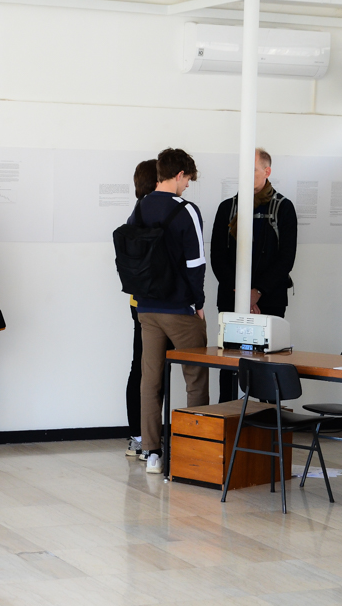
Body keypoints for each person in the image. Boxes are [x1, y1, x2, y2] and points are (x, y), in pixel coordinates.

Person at [129, 148, 208, 474]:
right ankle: (195, 449)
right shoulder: (187, 210)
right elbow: (196, 263)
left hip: (146, 308)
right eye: (188, 179)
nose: (187, 185)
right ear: (179, 175)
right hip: (179, 309)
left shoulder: (140, 207)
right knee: (195, 378)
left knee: (150, 381)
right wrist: (199, 304)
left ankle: (152, 453)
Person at [210, 148, 297, 402]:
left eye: (253, 170)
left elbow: (286, 258)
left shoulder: (283, 208)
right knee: (229, 365)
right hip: (231, 299)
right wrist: (241, 294)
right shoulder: (227, 208)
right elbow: (218, 256)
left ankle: (267, 419)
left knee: (268, 366)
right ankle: (227, 415)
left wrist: (257, 292)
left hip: (270, 301)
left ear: (267, 171)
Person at [125, 159, 158, 458]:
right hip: (156, 304)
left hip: (138, 302)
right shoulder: (154, 211)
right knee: (152, 370)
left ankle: (137, 436)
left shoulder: (136, 213)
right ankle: (147, 438)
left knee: (139, 365)